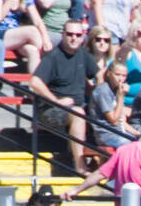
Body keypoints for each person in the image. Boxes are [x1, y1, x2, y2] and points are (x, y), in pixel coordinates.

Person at [29, 18, 98, 172]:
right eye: (70, 34)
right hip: (50, 110)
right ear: (63, 34)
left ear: (82, 37)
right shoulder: (53, 56)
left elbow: (99, 74)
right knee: (79, 113)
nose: (74, 38)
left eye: (78, 35)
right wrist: (56, 101)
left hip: (77, 107)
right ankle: (80, 166)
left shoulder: (83, 55)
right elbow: (35, 82)